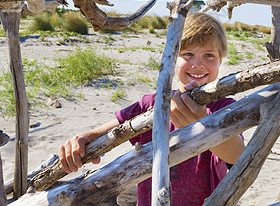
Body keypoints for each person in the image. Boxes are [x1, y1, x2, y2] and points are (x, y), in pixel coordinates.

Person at [58, 12, 245, 206]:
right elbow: (105, 133)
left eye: (209, 55)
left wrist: (203, 125)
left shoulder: (224, 107)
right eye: (188, 54)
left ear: (221, 60)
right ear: (172, 58)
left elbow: (238, 156)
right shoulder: (153, 104)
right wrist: (81, 140)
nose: (198, 64)